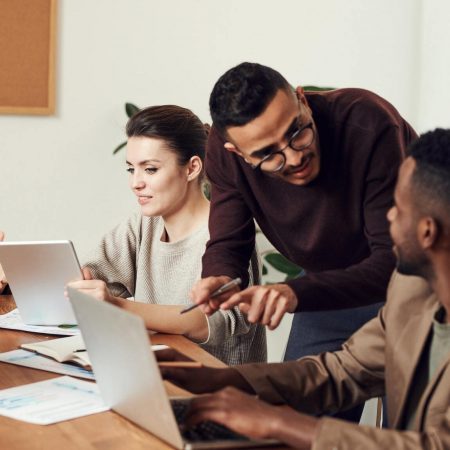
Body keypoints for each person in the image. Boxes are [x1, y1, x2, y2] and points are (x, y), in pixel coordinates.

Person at [158, 128, 450, 448]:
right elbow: (342, 371)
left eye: (398, 207)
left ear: (427, 232)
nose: (389, 216)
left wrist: (276, 422)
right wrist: (221, 378)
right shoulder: (413, 291)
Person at [189, 63, 416, 361]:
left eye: (297, 131)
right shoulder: (223, 154)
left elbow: (394, 258)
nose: (295, 157)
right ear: (238, 152)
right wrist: (219, 276)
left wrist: (295, 292)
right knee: (296, 405)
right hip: (329, 287)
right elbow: (228, 242)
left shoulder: (368, 121)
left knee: (409, 406)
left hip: (413, 284)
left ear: (303, 100)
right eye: (269, 154)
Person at [67, 105, 266, 366]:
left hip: (222, 394)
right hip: (155, 380)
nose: (135, 182)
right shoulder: (143, 226)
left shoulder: (229, 234)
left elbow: (212, 322)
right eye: (131, 169)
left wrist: (118, 307)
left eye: (150, 169)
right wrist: (11, 278)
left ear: (192, 168)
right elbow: (86, 279)